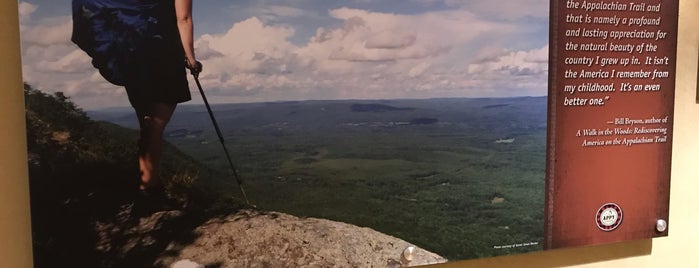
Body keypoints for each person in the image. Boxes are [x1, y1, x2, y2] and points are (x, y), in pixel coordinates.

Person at [72, 0, 202, 194]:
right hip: (162, 53)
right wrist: (191, 59)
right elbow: (183, 19)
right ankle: (149, 189)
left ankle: (147, 182)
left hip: (129, 52)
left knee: (148, 123)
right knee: (156, 124)